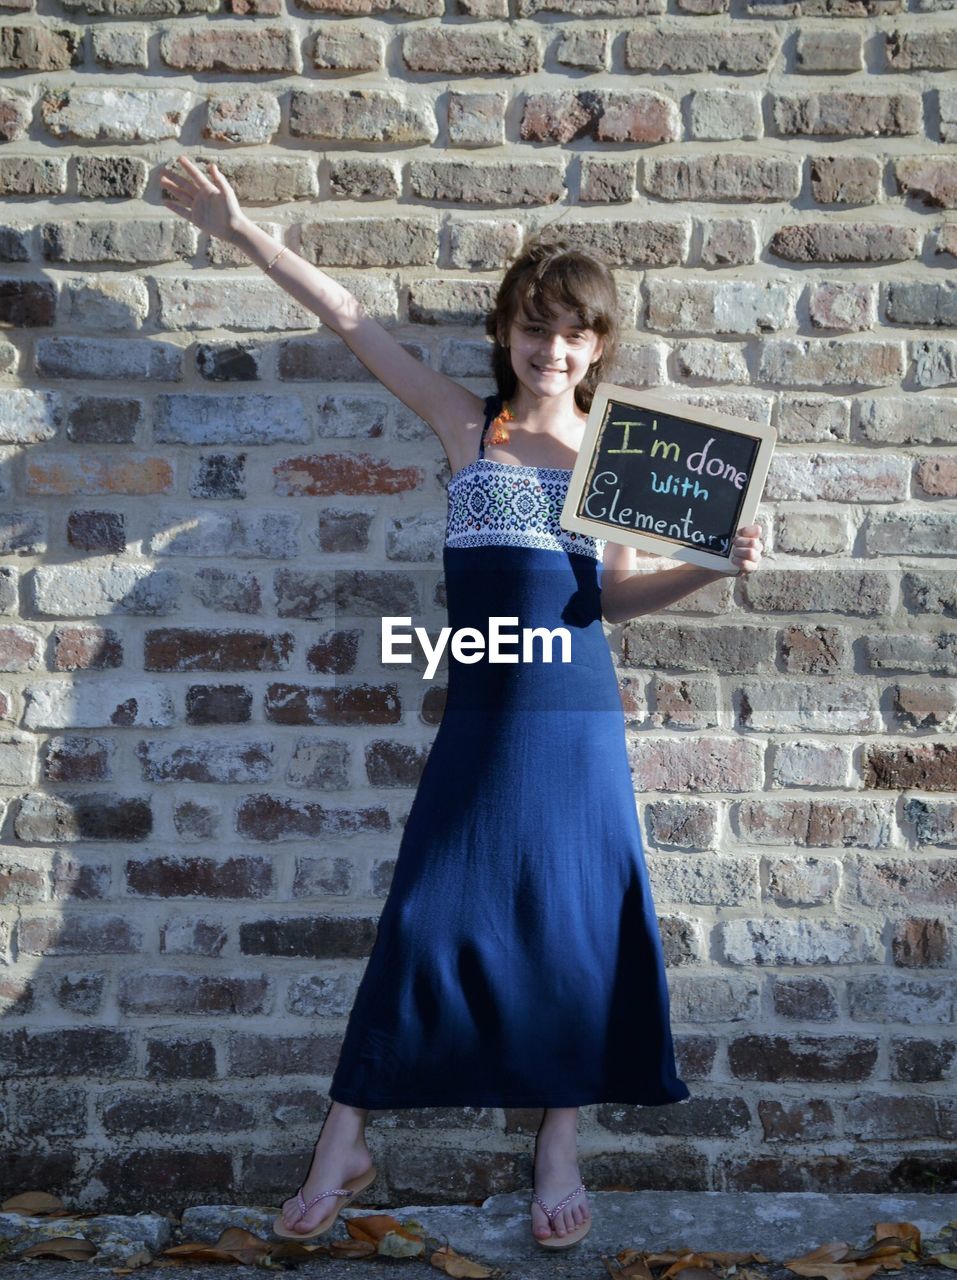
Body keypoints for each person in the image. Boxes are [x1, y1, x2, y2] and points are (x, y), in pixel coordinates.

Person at [158, 155, 765, 1250]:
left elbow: (616, 595)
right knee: (428, 909)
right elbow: (352, 321)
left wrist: (711, 569)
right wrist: (243, 233)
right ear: (508, 333)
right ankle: (346, 1136)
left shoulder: (615, 448)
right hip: (486, 709)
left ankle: (559, 1142)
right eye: (535, 327)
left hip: (576, 718)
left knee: (575, 925)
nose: (553, 347)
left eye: (574, 331)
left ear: (598, 344)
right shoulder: (464, 426)